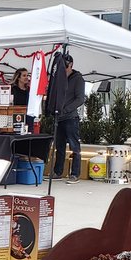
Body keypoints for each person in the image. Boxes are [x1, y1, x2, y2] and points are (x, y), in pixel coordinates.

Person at [50, 54, 86, 184]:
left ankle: (75, 173)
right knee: (59, 146)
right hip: (59, 117)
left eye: (65, 67)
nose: (63, 70)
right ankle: (58, 172)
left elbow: (80, 99)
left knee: (74, 146)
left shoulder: (78, 79)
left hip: (70, 117)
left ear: (71, 66)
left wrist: (65, 109)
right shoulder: (59, 78)